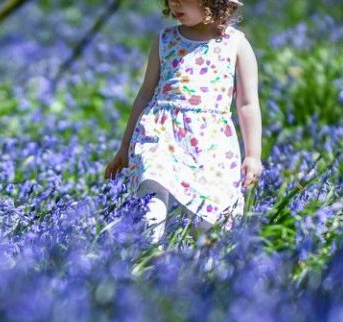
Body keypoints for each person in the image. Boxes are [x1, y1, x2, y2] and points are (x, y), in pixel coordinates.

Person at [104, 0, 263, 246]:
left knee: (208, 219)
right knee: (151, 195)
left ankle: (199, 275)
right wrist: (125, 146)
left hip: (209, 143)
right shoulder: (164, 40)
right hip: (159, 133)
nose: (174, 2)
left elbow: (247, 104)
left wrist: (253, 155)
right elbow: (145, 94)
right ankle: (146, 256)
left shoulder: (236, 44)